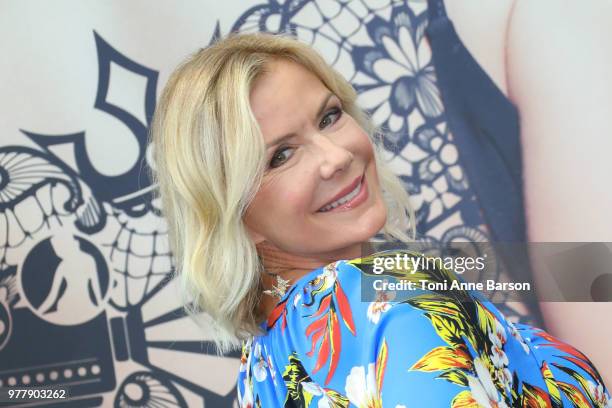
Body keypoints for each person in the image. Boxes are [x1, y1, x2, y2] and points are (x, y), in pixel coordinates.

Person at [149, 32, 609, 407]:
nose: (336, 156)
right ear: (234, 214)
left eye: (329, 117)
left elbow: (555, 272)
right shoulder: (388, 302)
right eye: (281, 155)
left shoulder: (264, 368)